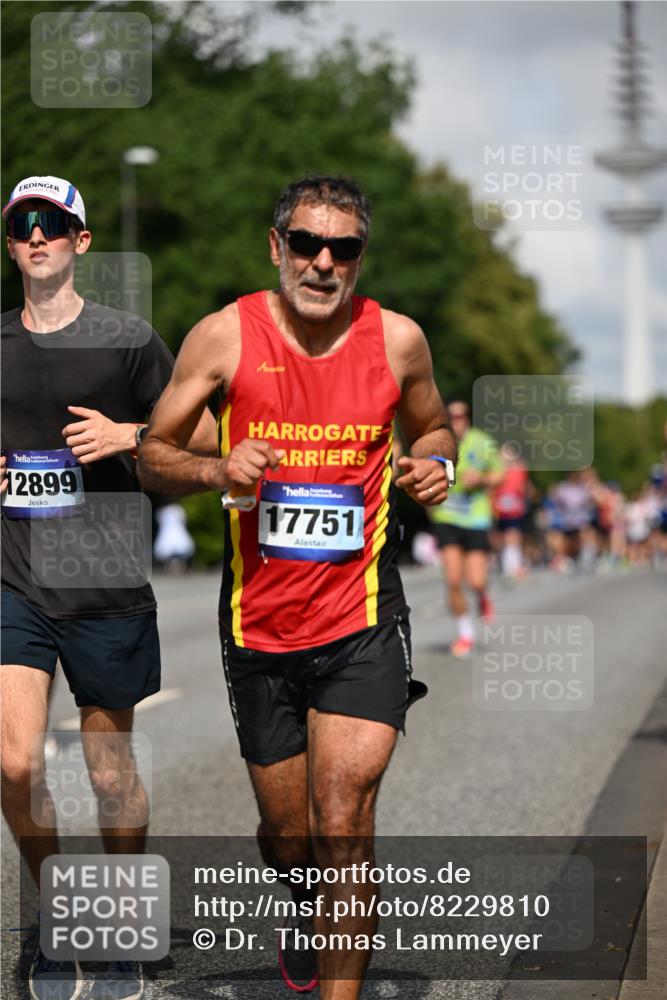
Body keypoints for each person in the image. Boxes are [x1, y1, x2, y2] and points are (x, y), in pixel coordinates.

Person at [138, 174, 457, 998]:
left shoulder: (397, 341)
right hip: (258, 626)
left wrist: (437, 463)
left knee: (343, 823)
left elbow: (431, 422)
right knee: (290, 838)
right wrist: (214, 468)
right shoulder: (222, 336)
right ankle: (302, 904)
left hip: (362, 619)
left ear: (358, 257)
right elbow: (150, 453)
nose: (323, 263)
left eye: (342, 248)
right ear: (276, 246)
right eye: (307, 245)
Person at [0, 175, 214, 1000]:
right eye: (23, 225)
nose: (38, 236)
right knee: (16, 764)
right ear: (12, 243)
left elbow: (194, 446)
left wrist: (128, 433)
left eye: (54, 223)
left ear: (82, 241)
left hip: (105, 582)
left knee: (108, 771)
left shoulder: (128, 341)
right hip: (15, 576)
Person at [427, 395, 504, 656]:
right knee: (453, 580)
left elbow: (500, 474)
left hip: (476, 519)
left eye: (462, 416)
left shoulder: (482, 442)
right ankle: (465, 634)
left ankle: (482, 596)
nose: (457, 422)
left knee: (476, 580)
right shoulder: (437, 445)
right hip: (447, 519)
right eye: (453, 417)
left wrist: (482, 479)